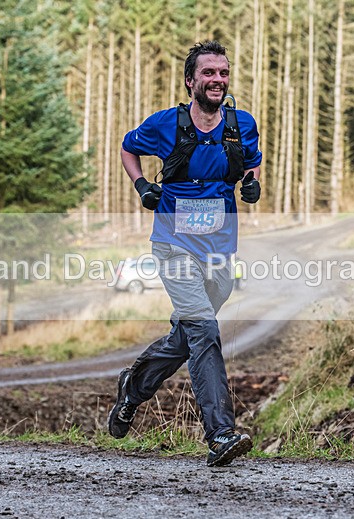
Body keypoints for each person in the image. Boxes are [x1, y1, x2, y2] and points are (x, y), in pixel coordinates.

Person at [108, 40, 262, 467]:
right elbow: (127, 147)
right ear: (191, 80)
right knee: (204, 331)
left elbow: (252, 161)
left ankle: (133, 387)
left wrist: (251, 183)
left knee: (190, 335)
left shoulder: (240, 123)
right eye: (209, 73)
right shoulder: (166, 125)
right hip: (173, 245)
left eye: (224, 73)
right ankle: (220, 434)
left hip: (220, 250)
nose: (217, 80)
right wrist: (142, 185)